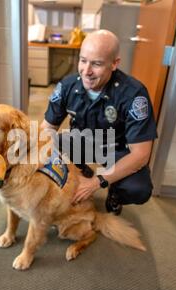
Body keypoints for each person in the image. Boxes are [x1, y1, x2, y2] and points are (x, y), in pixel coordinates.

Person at [40, 29, 157, 215]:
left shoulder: (133, 94)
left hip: (115, 149)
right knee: (47, 145)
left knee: (138, 189)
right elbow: (46, 130)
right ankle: (80, 168)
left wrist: (97, 182)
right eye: (83, 60)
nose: (86, 71)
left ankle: (115, 195)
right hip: (81, 142)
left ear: (114, 64)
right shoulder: (67, 85)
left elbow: (141, 155)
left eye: (96, 64)